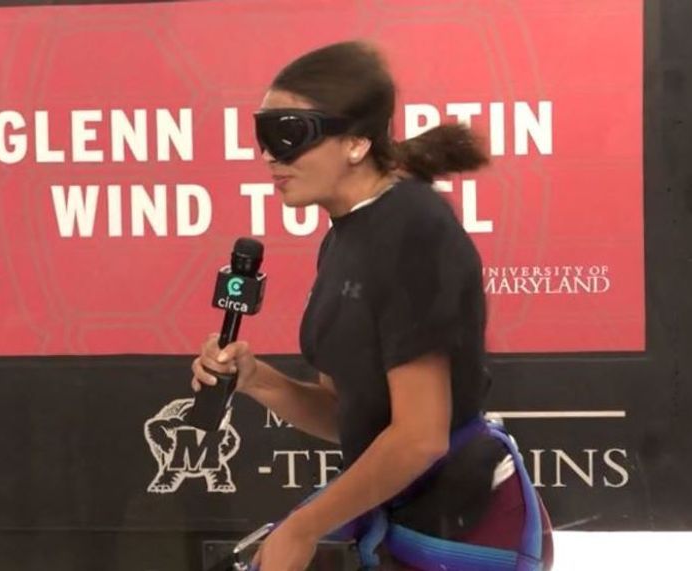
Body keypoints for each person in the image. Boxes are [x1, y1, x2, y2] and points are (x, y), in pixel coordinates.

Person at [192, 41, 553, 571]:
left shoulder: (412, 228)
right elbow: (354, 417)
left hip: (464, 534)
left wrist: (303, 528)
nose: (270, 155)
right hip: (405, 522)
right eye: (262, 136)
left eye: (287, 134)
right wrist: (257, 381)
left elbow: (418, 436)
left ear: (357, 141)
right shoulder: (344, 238)